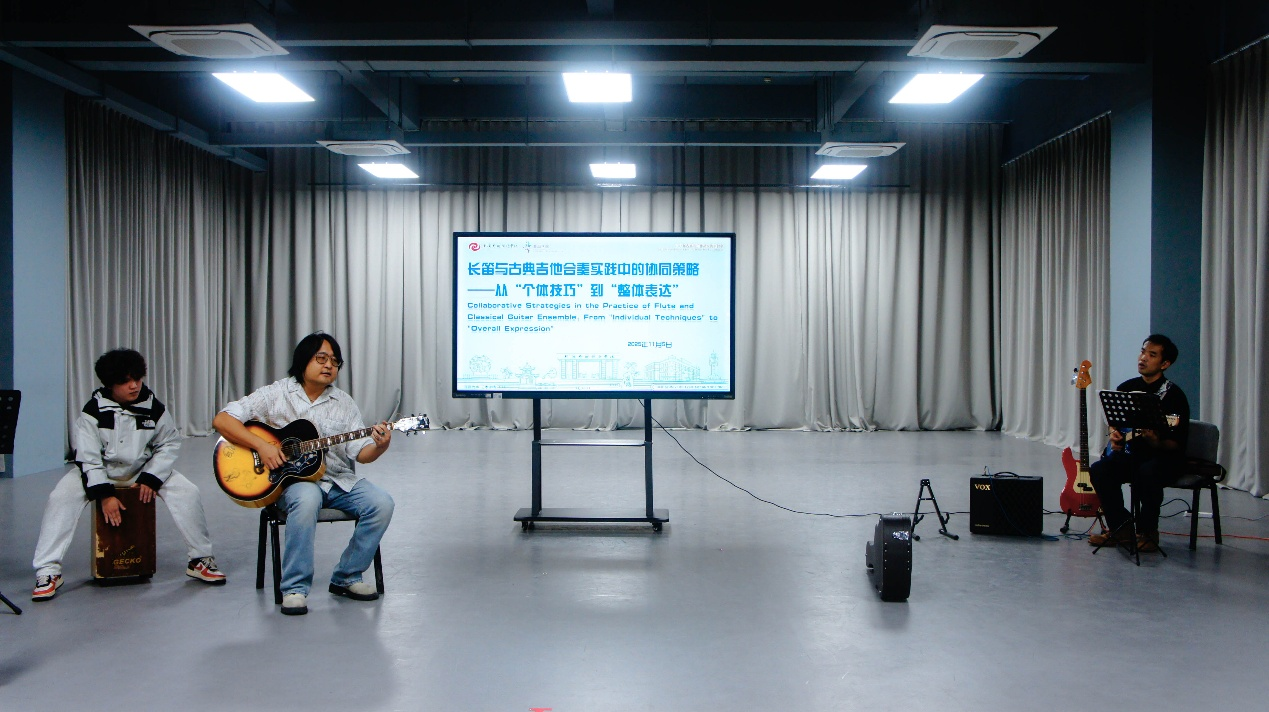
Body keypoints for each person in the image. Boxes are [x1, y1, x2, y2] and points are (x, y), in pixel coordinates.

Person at [212, 332, 394, 615]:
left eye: (335, 361)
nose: (329, 365)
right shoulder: (276, 394)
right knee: (307, 499)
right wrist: (262, 446)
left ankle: (347, 576)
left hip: (337, 480)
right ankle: (294, 588)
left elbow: (361, 453)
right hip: (291, 482)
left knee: (382, 504)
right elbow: (223, 420)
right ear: (303, 360)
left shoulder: (344, 402)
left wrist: (380, 446)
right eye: (321, 358)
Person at [32, 349, 225, 600]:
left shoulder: (154, 407)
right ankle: (48, 570)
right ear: (110, 384)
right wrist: (104, 495)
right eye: (125, 381)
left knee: (188, 492)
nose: (134, 386)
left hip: (141, 470)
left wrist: (151, 478)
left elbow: (169, 443)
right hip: (101, 472)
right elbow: (88, 458)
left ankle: (200, 559)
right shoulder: (93, 411)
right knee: (59, 498)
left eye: (137, 378)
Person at [1088, 334, 1191, 553]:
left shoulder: (1174, 396)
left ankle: (1148, 532)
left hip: (1164, 459)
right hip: (1132, 454)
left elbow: (1177, 444)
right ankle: (1121, 528)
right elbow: (1114, 422)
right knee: (1099, 470)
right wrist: (1114, 434)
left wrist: (1157, 443)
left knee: (1148, 472)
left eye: (1152, 355)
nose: (1143, 358)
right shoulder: (1127, 387)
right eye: (1143, 352)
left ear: (1165, 364)